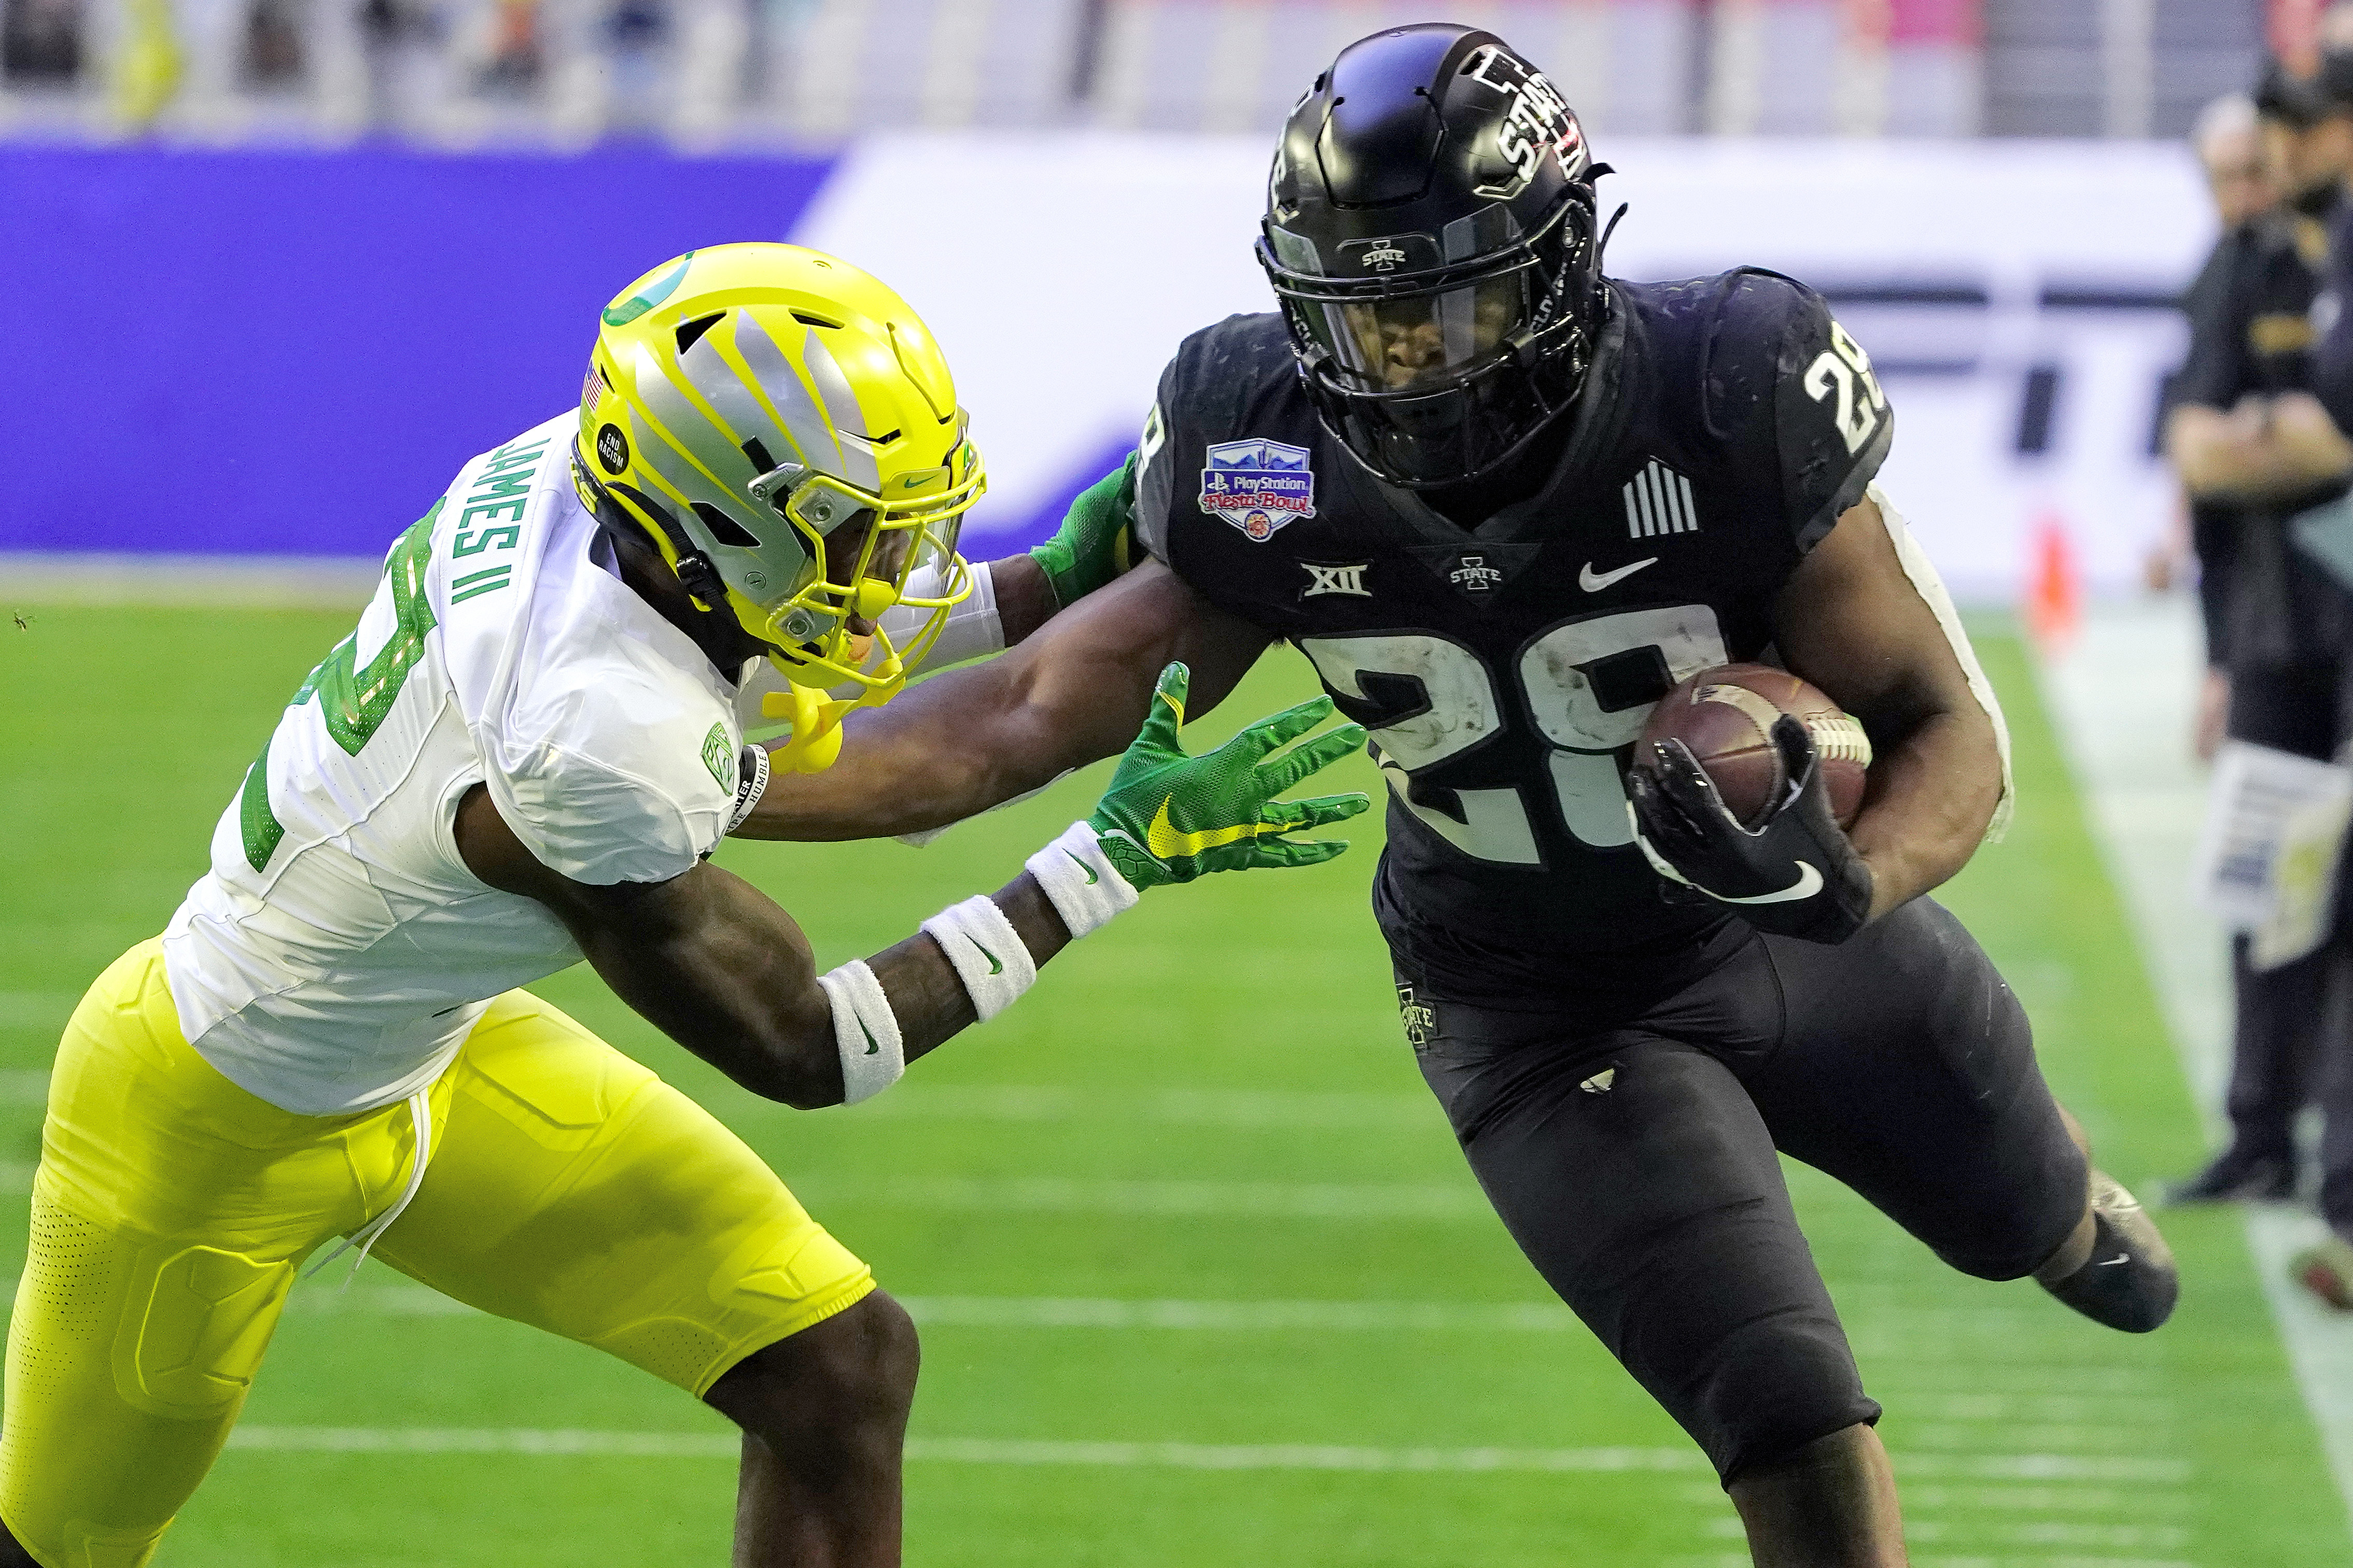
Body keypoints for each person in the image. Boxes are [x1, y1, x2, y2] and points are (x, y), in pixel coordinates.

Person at [740, 27, 2180, 1566]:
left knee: (2036, 1223)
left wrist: (1851, 884)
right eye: (1361, 325)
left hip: (1788, 936)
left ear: (1558, 266)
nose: (1401, 361)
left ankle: (2063, 1201)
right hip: (1527, 1005)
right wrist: (718, 778)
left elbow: (1940, 725)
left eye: (1446, 306)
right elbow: (1023, 713)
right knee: (1789, 1417)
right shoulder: (1264, 444)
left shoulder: (1722, 388)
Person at [0, 242, 1366, 1568]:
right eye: (862, 527)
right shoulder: (593, 742)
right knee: (62, 1546)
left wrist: (1049, 582)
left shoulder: (606, 496)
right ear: (727, 523)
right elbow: (816, 1044)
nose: (904, 557)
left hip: (423, 1043)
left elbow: (779, 653)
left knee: (839, 1369)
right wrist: (1109, 861)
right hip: (206, 1121)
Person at [2164, 55, 2353, 1228]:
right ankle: (2259, 1130)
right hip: (2277, 618)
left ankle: (2332, 1156)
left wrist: (2286, 440)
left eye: (2289, 137)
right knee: (2267, 875)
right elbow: (2194, 443)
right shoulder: (2244, 261)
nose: (2266, 170)